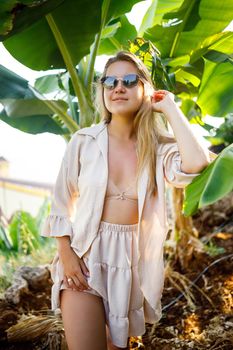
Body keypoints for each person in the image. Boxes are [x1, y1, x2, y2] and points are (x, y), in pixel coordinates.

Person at [41, 51, 210, 350]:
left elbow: (196, 163)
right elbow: (60, 202)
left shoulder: (158, 149)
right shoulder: (84, 141)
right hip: (84, 257)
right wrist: (66, 255)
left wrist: (170, 108)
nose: (118, 87)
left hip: (131, 263)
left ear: (146, 90)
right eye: (110, 81)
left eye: (130, 81)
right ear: (103, 90)